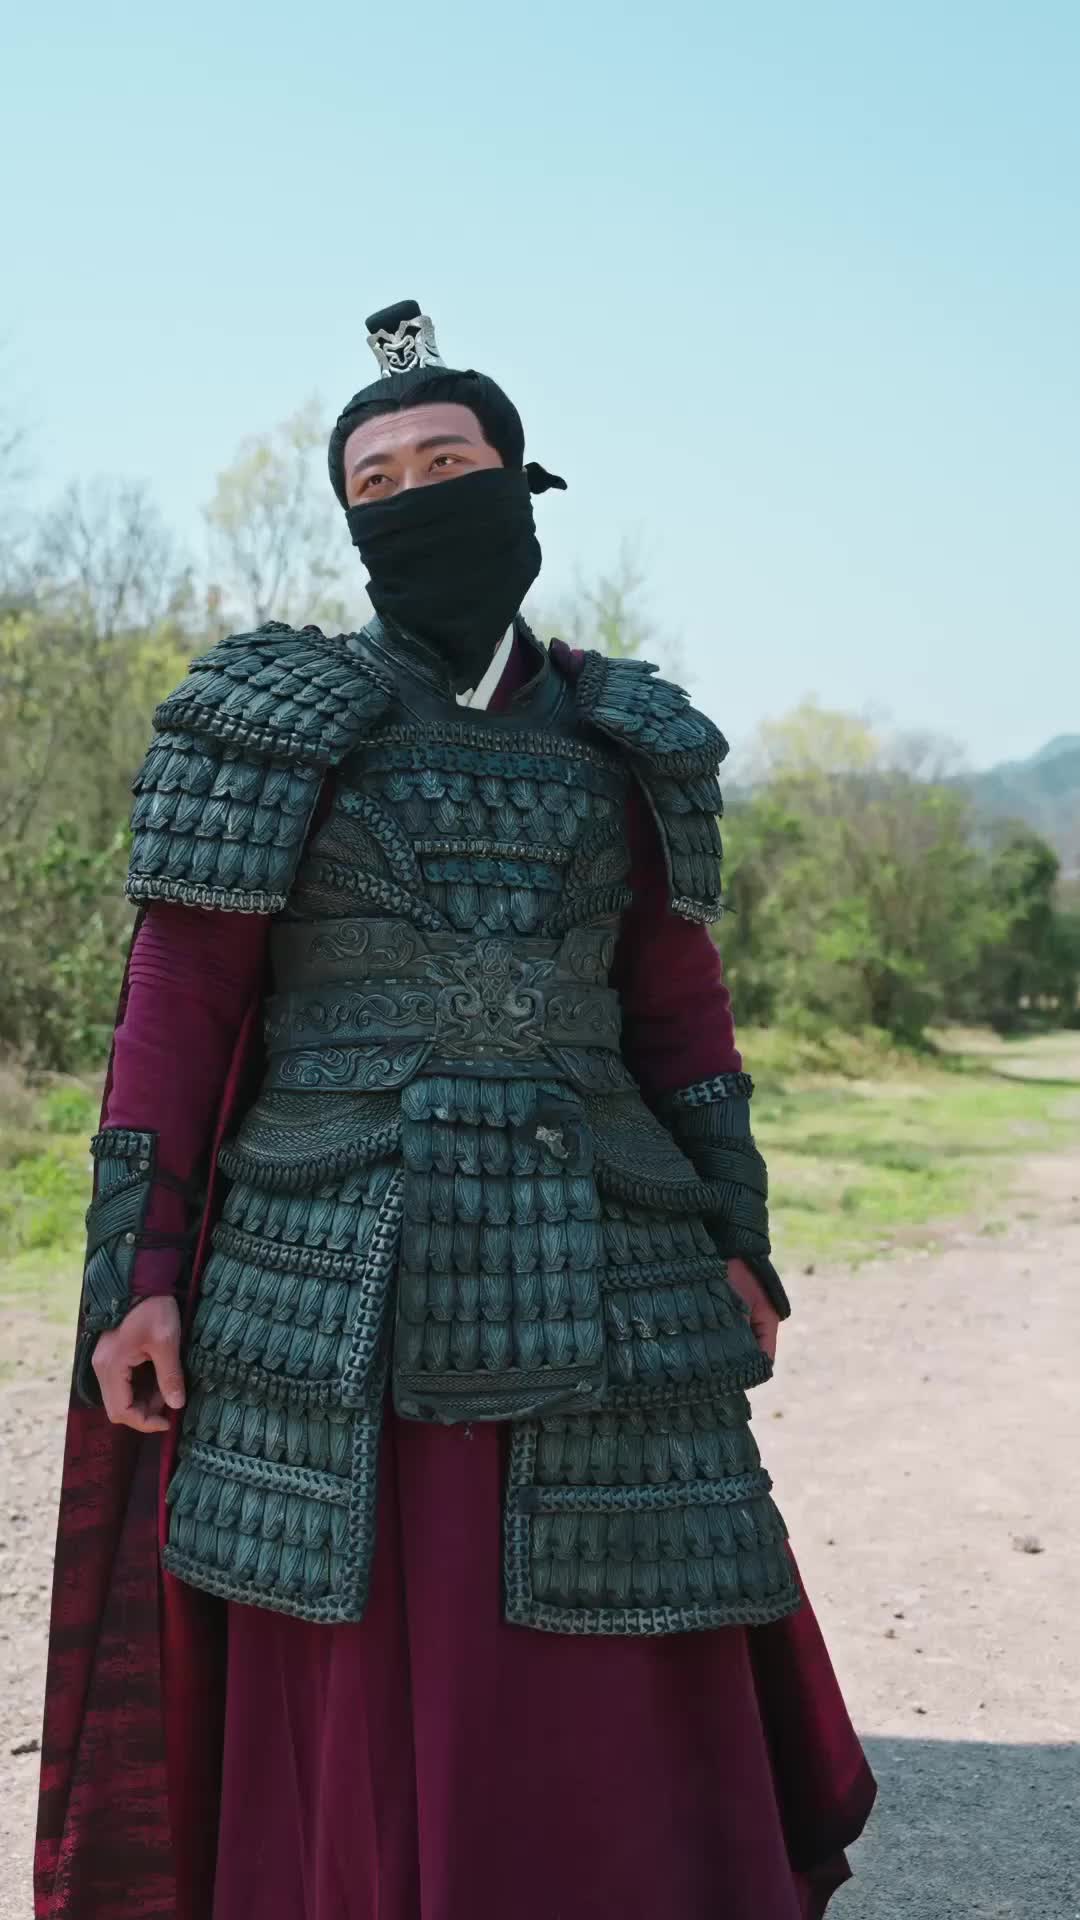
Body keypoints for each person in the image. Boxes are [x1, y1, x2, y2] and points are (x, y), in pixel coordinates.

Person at [36, 300, 875, 1920]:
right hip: (328, 1270)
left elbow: (677, 1008)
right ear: (348, 520)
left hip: (613, 1253)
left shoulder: (629, 735)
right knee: (348, 1664)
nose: (415, 493)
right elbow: (178, 1008)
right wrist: (135, 1274)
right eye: (378, 480)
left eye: (447, 462)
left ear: (519, 481)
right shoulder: (265, 723)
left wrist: (740, 1229)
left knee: (624, 1632)